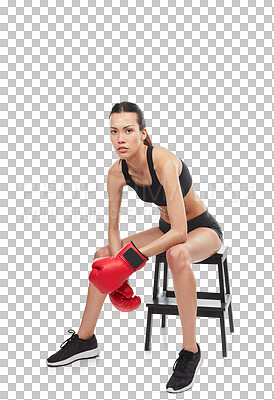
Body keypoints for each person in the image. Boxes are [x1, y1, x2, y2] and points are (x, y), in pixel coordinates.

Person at [46, 101, 224, 393]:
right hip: (165, 229)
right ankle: (85, 339)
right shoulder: (117, 173)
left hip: (201, 228)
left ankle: (190, 351)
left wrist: (128, 262)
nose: (120, 138)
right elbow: (113, 228)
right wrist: (117, 272)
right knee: (102, 256)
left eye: (128, 130)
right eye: (114, 131)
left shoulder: (164, 161)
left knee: (176, 254)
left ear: (143, 133)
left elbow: (180, 232)